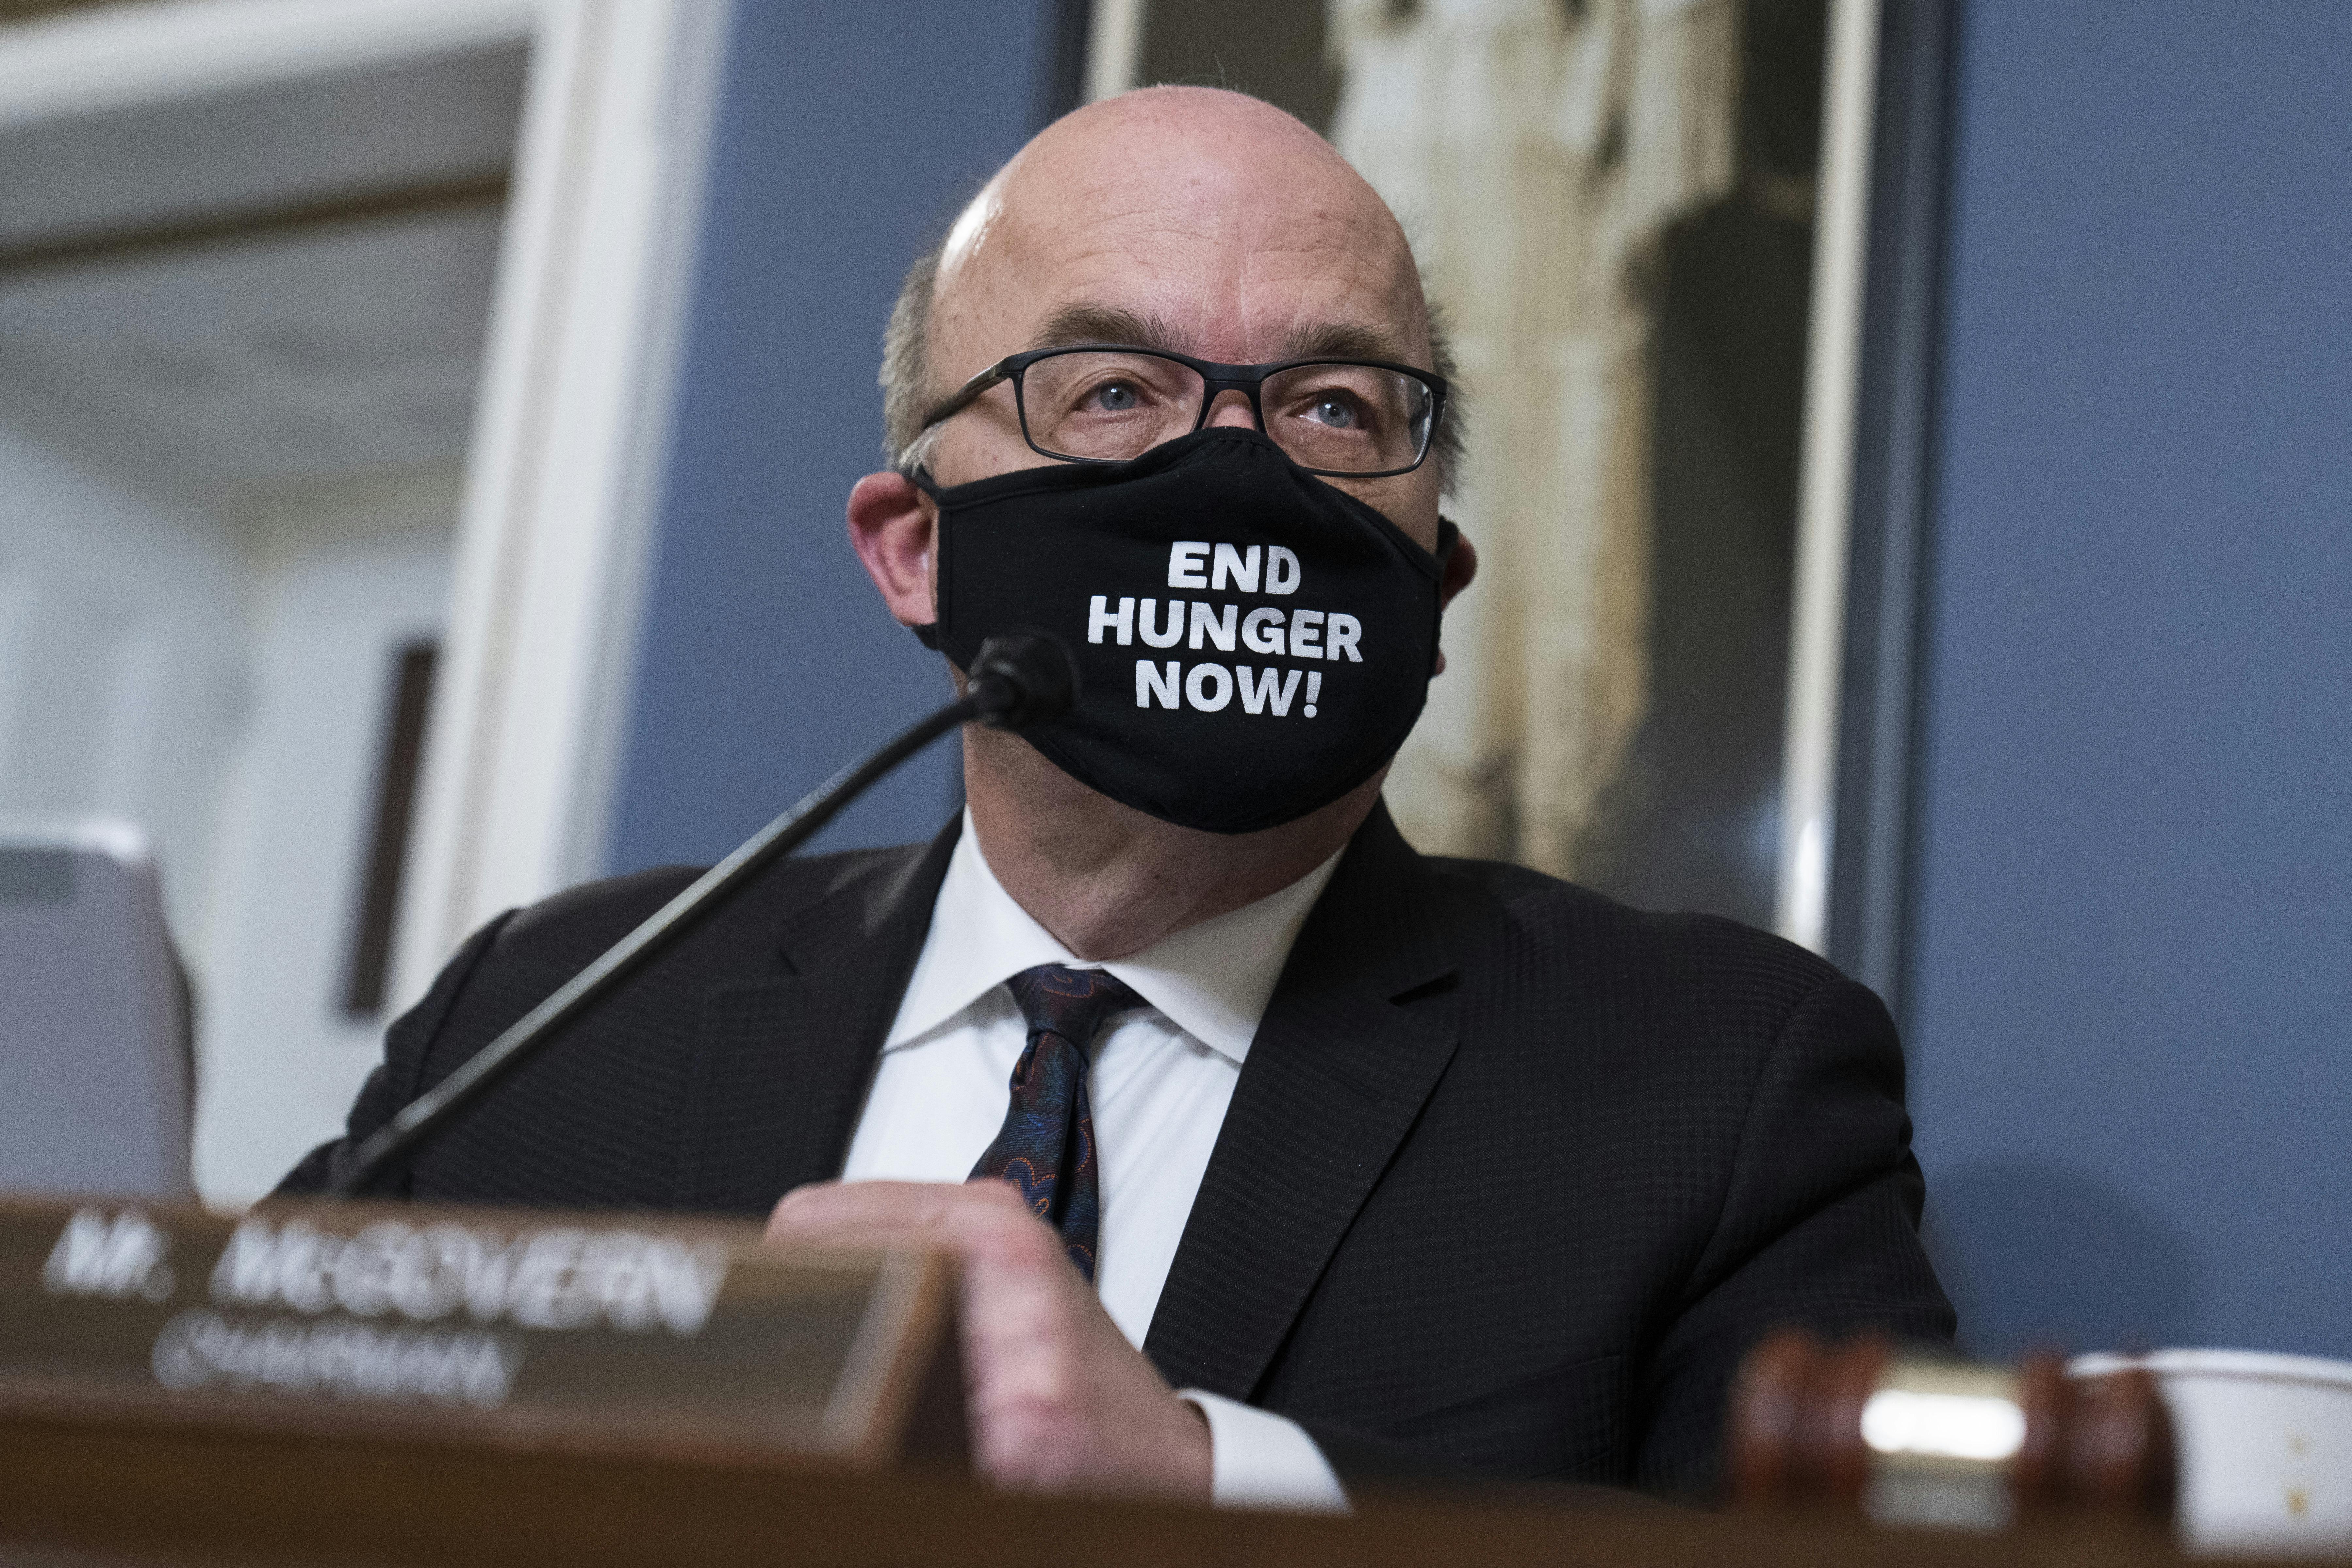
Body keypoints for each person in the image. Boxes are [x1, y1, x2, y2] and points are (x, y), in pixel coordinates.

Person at [282, 86, 1951, 1509]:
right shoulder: (551, 1024)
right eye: (1109, 392)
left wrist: (1209, 1483)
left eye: (1332, 406)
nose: (1231, 472)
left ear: (1433, 575)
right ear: (915, 550)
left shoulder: (1718, 1087)